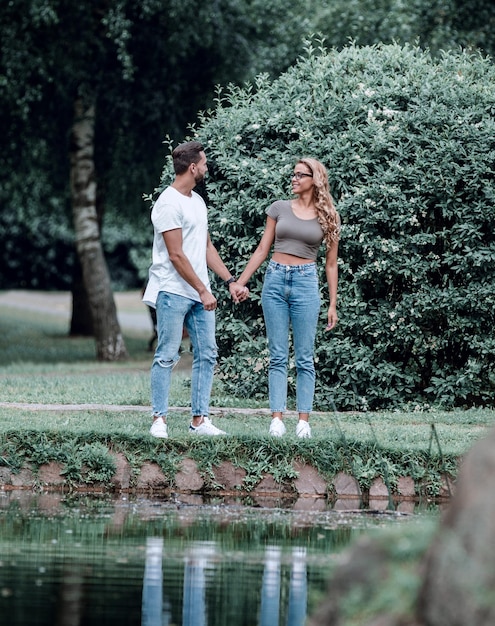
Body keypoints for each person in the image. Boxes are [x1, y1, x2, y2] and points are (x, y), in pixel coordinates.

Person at [143, 141, 247, 438]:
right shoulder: (167, 203)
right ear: (192, 167)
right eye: (203, 163)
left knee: (207, 353)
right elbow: (176, 255)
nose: (206, 167)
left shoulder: (197, 202)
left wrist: (230, 281)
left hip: (200, 293)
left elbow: (205, 247)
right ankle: (159, 419)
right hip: (174, 291)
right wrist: (203, 290)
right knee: (166, 354)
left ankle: (199, 421)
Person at [235, 158, 340, 438]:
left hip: (306, 282)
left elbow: (331, 263)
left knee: (305, 357)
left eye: (299, 175)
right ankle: (277, 419)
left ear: (313, 179)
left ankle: (303, 421)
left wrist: (332, 303)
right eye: (292, 175)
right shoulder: (279, 208)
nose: (293, 179)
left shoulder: (329, 215)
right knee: (278, 355)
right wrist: (239, 282)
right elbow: (261, 249)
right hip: (275, 280)